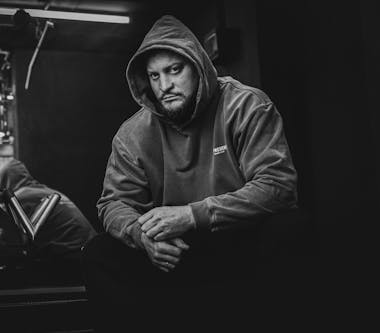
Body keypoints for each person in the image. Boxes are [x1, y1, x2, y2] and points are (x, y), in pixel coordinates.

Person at [81, 15, 298, 330]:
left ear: (197, 66)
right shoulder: (132, 134)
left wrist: (191, 214)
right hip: (176, 252)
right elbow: (113, 203)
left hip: (239, 240)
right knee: (99, 253)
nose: (164, 86)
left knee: (291, 227)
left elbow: (278, 187)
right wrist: (141, 238)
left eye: (173, 70)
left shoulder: (247, 106)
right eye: (154, 76)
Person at [0, 144, 97, 289]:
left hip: (69, 262)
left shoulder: (18, 198)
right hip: (90, 259)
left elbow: (4, 243)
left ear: (5, 183)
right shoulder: (45, 192)